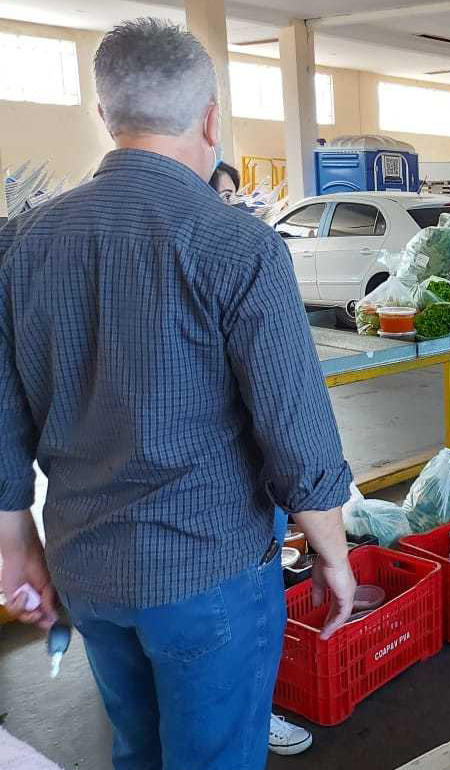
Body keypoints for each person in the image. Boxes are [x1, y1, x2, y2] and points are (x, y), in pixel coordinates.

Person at [0, 19, 354, 770]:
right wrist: (332, 552)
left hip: (86, 569)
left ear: (105, 115)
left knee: (138, 749)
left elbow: (3, 415)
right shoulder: (238, 245)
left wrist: (15, 544)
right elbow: (296, 428)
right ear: (211, 117)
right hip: (208, 576)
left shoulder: (22, 244)